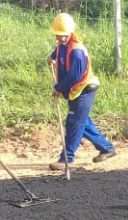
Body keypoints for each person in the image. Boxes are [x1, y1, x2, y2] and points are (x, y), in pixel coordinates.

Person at [48, 13, 116, 170]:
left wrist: (58, 88)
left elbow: (74, 76)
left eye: (64, 35)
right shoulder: (62, 45)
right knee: (82, 122)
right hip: (74, 90)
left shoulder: (77, 51)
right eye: (58, 35)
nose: (61, 38)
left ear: (70, 32)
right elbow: (58, 53)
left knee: (73, 123)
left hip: (84, 89)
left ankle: (67, 159)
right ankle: (107, 148)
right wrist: (51, 58)